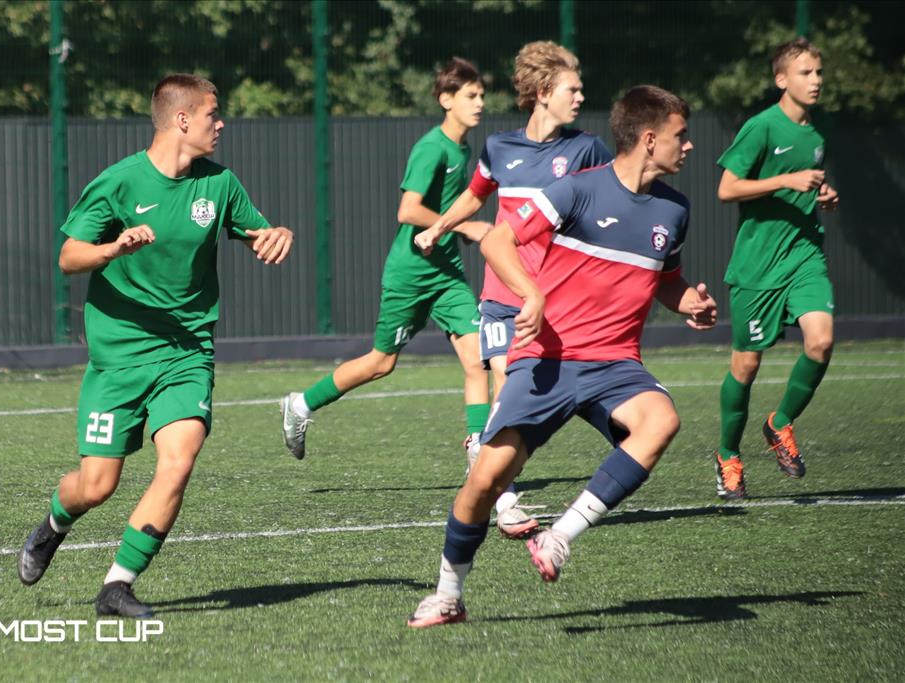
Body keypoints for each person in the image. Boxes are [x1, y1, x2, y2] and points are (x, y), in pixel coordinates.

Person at [408, 85, 718, 628]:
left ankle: (560, 537)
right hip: (548, 359)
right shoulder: (575, 190)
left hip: (616, 364)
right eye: (680, 135)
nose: (688, 146)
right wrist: (531, 294)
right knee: (485, 481)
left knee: (662, 419)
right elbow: (497, 242)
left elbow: (665, 279)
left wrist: (689, 301)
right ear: (649, 139)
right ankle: (448, 596)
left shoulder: (676, 209)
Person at [17, 74, 294, 618]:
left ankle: (116, 585)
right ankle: (53, 524)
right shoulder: (120, 182)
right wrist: (113, 248)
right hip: (120, 355)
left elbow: (258, 233)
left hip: (187, 352)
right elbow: (69, 257)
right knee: (95, 486)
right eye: (213, 114)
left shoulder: (220, 184)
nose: (221, 124)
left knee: (179, 459)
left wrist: (275, 233)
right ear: (182, 119)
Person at [414, 41, 613, 539]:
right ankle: (502, 498)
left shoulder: (586, 149)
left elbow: (617, 199)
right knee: (506, 386)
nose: (580, 96)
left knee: (545, 401)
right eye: (573, 87)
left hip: (560, 303)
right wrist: (440, 227)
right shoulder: (500, 148)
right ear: (544, 92)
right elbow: (474, 195)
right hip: (504, 298)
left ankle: (486, 458)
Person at [280, 58, 490, 465]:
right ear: (446, 100)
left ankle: (479, 447)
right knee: (381, 363)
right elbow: (408, 211)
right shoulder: (432, 148)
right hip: (410, 274)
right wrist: (463, 228)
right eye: (470, 95)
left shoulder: (462, 148)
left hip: (446, 275)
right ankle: (300, 405)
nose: (479, 103)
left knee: (477, 357)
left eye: (481, 95)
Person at [713, 37, 839, 500]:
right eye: (806, 73)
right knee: (745, 367)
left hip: (805, 254)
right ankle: (728, 455)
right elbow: (727, 188)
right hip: (758, 267)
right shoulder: (762, 127)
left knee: (821, 341)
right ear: (781, 79)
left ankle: (779, 423)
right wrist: (785, 179)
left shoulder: (816, 137)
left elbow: (803, 192)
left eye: (819, 73)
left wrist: (822, 198)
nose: (816, 81)